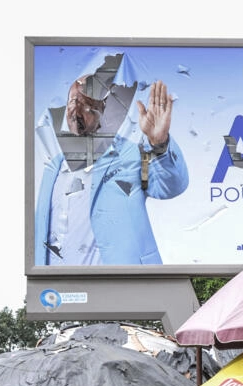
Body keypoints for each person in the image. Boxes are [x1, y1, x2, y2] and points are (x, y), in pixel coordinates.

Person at [33, 51, 189, 266]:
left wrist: (159, 144)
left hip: (122, 288)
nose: (75, 110)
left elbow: (170, 186)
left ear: (102, 110)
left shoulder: (133, 155)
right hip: (59, 292)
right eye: (72, 101)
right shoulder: (53, 167)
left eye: (86, 104)